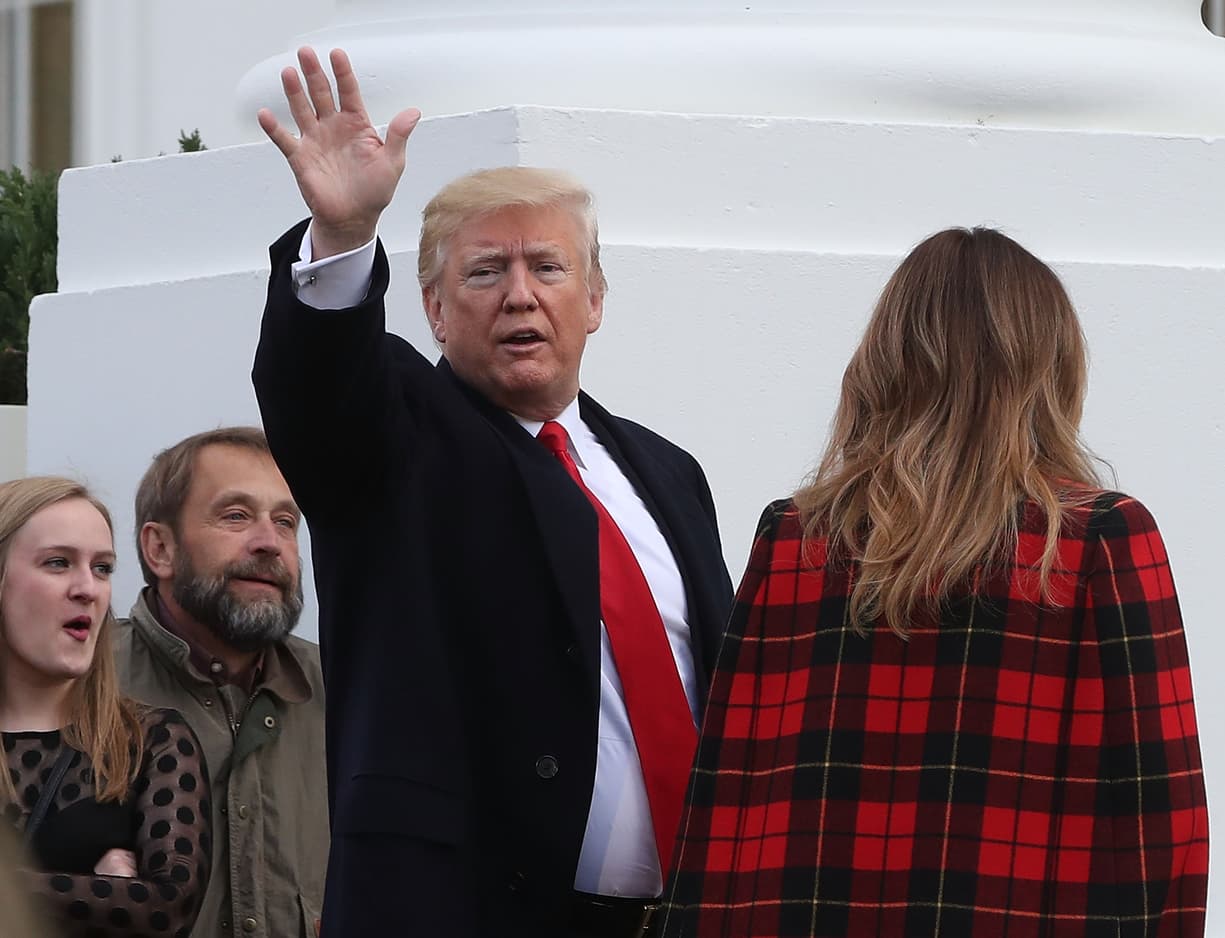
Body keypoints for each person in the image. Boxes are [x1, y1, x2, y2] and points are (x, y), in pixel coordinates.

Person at [252, 46, 733, 936]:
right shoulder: (398, 437)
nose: (519, 296)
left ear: (594, 300)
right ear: (434, 309)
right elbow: (320, 392)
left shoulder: (669, 472)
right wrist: (344, 237)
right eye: (484, 272)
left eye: (547, 268)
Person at [659, 228, 1210, 938]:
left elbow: (725, 798)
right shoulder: (1100, 539)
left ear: (886, 358)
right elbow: (1162, 817)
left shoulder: (796, 538)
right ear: (1049, 364)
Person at [115, 428, 328, 938]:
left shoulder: (343, 693)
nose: (269, 543)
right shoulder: (80, 683)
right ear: (160, 549)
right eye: (236, 516)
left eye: (285, 522)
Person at [0, 476, 211, 938]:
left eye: (102, 568)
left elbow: (166, 910)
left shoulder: (151, 742)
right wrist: (96, 892)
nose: (88, 588)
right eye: (58, 563)